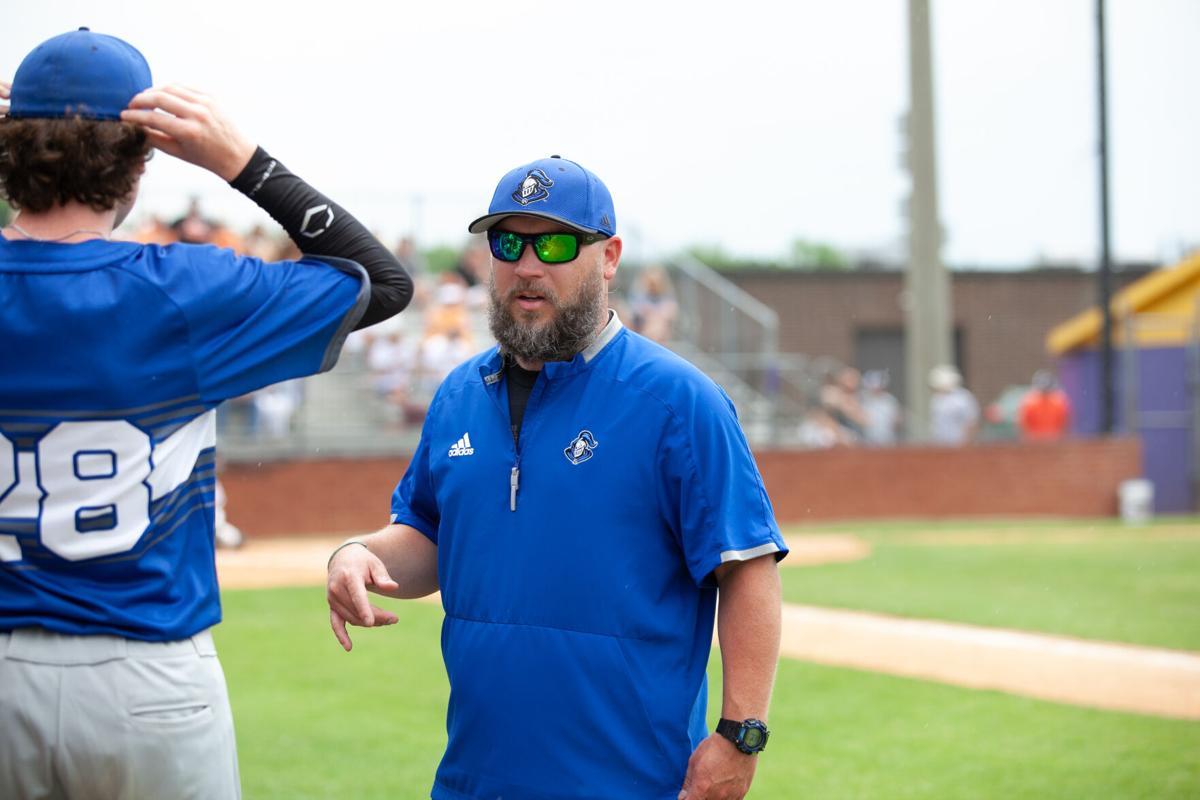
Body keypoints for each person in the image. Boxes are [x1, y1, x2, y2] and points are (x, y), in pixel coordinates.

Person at [0, 28, 412, 799]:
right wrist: (243, 163)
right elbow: (380, 281)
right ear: (141, 158)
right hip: (146, 671)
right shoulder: (184, 288)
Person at [326, 156, 787, 800]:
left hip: (632, 782)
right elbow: (429, 539)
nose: (528, 265)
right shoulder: (459, 394)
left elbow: (747, 567)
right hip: (474, 780)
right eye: (508, 242)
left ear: (609, 256)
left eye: (557, 242)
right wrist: (356, 554)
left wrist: (741, 736)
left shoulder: (679, 401)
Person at [928, 364, 980, 445]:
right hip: (940, 445)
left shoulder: (963, 398)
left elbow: (971, 422)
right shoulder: (936, 399)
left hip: (958, 445)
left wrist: (965, 443)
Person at [1018, 369, 1071, 441]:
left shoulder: (1058, 403)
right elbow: (1025, 425)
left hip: (1053, 440)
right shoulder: (1030, 404)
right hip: (1036, 441)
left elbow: (1064, 423)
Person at [860, 369, 902, 446]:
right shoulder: (864, 399)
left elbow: (897, 419)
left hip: (888, 439)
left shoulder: (889, 400)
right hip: (868, 440)